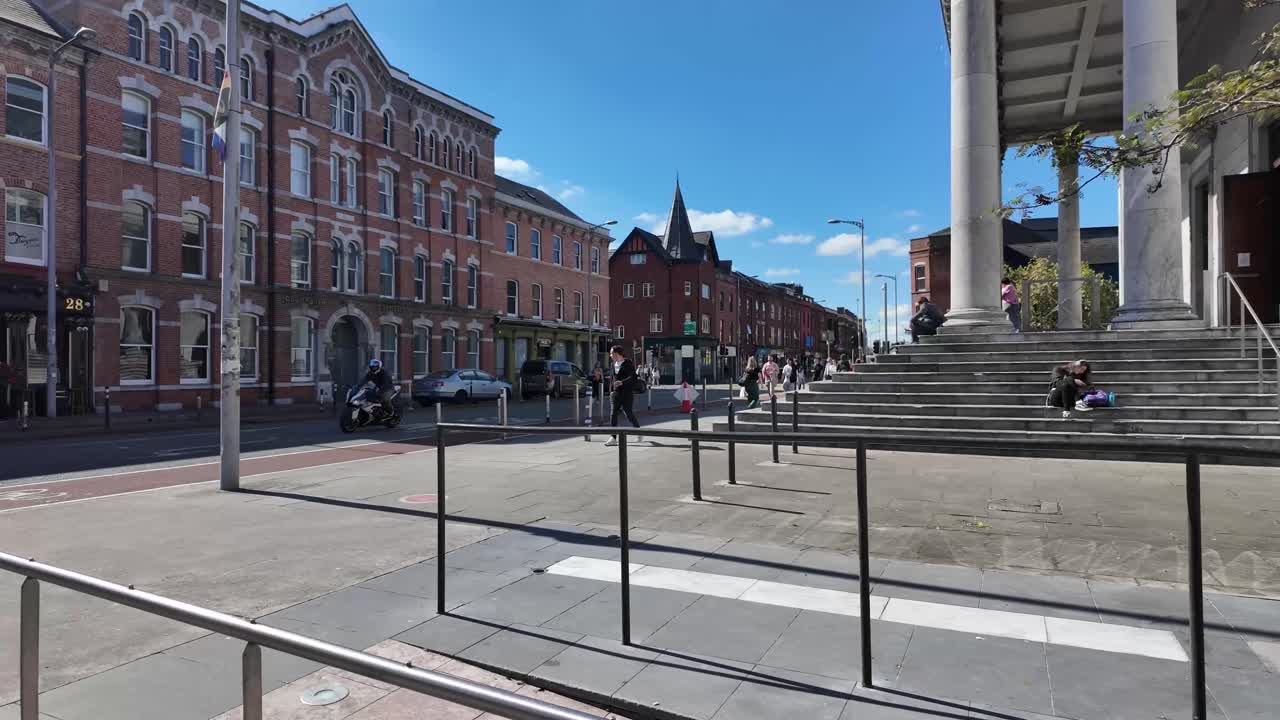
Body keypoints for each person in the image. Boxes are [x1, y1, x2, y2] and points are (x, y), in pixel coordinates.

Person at [604, 345, 641, 446]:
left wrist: (622, 382)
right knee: (613, 413)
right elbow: (612, 378)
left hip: (627, 393)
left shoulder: (628, 363)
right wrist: (611, 391)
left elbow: (634, 378)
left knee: (628, 414)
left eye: (612, 353)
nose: (610, 355)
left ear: (617, 354)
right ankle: (613, 437)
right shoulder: (612, 364)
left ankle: (638, 431)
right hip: (615, 393)